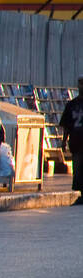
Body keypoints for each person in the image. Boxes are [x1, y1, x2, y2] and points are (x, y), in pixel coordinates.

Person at [58, 76, 83, 204]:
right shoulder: (72, 105)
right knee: (78, 168)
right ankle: (80, 192)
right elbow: (67, 125)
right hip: (77, 142)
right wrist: (64, 141)